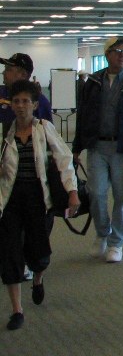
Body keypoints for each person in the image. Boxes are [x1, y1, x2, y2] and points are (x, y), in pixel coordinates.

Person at [0, 80, 80, 330]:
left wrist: (73, 192)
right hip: (9, 200)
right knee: (9, 253)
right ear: (11, 105)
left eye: (26, 101)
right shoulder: (4, 132)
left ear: (35, 105)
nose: (21, 106)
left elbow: (64, 160)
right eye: (16, 101)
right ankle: (17, 310)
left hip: (38, 198)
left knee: (39, 252)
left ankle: (37, 278)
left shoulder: (44, 129)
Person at [72, 37, 123, 264]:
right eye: (118, 51)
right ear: (107, 54)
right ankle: (102, 232)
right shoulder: (94, 82)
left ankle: (116, 243)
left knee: (122, 196)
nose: (122, 55)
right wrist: (77, 147)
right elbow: (84, 116)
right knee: (96, 193)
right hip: (97, 146)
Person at [0, 53, 53, 137]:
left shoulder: (39, 102)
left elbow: (46, 136)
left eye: (8, 69)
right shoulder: (3, 93)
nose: (3, 73)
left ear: (23, 75)